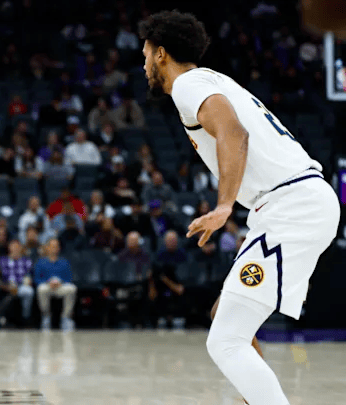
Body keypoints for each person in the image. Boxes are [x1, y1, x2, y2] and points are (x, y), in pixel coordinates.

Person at [139, 10, 340, 405]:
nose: (143, 63)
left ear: (161, 53)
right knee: (227, 320)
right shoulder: (211, 80)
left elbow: (234, 132)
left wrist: (223, 206)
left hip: (291, 206)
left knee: (225, 341)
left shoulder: (189, 84)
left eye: (145, 53)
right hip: (294, 203)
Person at [33, 238, 77, 331]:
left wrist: (60, 282)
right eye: (52, 246)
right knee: (41, 289)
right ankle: (46, 317)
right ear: (47, 248)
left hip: (60, 287)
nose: (54, 248)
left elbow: (69, 278)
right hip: (47, 286)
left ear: (59, 249)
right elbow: (36, 279)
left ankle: (66, 318)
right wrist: (48, 282)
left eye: (56, 246)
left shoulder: (64, 262)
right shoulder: (40, 262)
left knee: (72, 288)